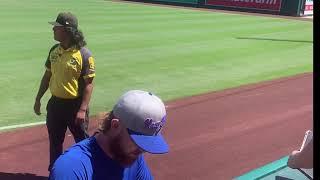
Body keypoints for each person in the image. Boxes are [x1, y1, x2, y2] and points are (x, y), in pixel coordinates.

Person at [49, 90, 169, 180]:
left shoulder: (132, 156)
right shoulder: (72, 168)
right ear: (115, 125)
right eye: (138, 141)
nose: (142, 150)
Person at [33, 12, 96, 171]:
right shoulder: (54, 50)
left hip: (75, 107)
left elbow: (89, 84)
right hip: (55, 105)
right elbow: (47, 76)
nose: (53, 30)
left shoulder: (84, 54)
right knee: (55, 142)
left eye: (56, 27)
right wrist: (38, 98)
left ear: (67, 30)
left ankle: (88, 172)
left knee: (82, 143)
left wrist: (82, 110)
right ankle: (55, 172)